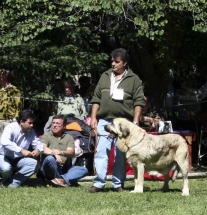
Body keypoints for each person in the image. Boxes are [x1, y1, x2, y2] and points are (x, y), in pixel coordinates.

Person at [86, 48, 145, 193]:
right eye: (112, 61)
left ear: (125, 63)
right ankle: (98, 183)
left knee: (120, 154)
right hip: (105, 121)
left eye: (116, 62)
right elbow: (96, 99)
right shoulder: (105, 76)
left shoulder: (134, 79)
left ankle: (118, 184)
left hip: (124, 123)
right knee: (101, 152)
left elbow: (139, 102)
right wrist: (94, 117)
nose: (113, 64)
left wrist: (135, 123)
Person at [0, 109, 43, 188]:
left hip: (18, 158)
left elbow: (39, 144)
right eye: (30, 123)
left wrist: (38, 150)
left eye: (32, 123)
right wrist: (21, 150)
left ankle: (12, 182)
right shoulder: (11, 127)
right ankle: (6, 180)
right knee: (6, 168)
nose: (32, 125)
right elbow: (4, 141)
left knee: (35, 164)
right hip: (1, 155)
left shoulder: (31, 131)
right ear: (21, 121)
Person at [40, 115, 88, 187]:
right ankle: (64, 179)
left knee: (83, 169)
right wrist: (54, 154)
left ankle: (61, 179)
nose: (54, 125)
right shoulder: (47, 136)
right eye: (53, 123)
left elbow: (71, 152)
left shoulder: (68, 137)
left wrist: (61, 152)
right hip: (48, 168)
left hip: (63, 168)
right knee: (50, 159)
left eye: (58, 124)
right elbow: (42, 148)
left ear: (64, 126)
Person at [0, 68, 22, 152]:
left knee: (8, 144)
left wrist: (14, 119)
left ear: (4, 77)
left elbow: (19, 106)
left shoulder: (14, 90)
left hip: (9, 121)